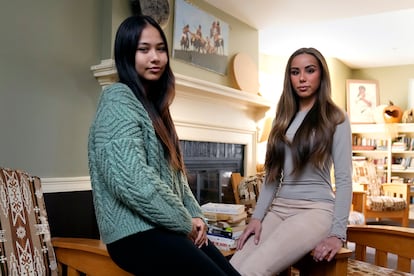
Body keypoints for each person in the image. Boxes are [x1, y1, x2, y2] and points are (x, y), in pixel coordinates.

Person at [88, 15, 240, 276]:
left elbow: (177, 178)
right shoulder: (117, 100)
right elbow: (131, 180)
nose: (155, 57)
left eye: (160, 49)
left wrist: (198, 218)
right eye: (143, 49)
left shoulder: (156, 109)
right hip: (132, 234)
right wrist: (185, 221)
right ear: (127, 54)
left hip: (165, 225)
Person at [230, 47, 353, 275]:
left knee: (254, 270)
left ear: (321, 75)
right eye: (295, 72)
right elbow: (272, 176)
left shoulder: (336, 117)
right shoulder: (282, 117)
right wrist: (257, 218)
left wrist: (338, 233)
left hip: (315, 210)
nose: (302, 78)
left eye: (310, 70)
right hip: (278, 209)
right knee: (232, 268)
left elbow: (345, 180)